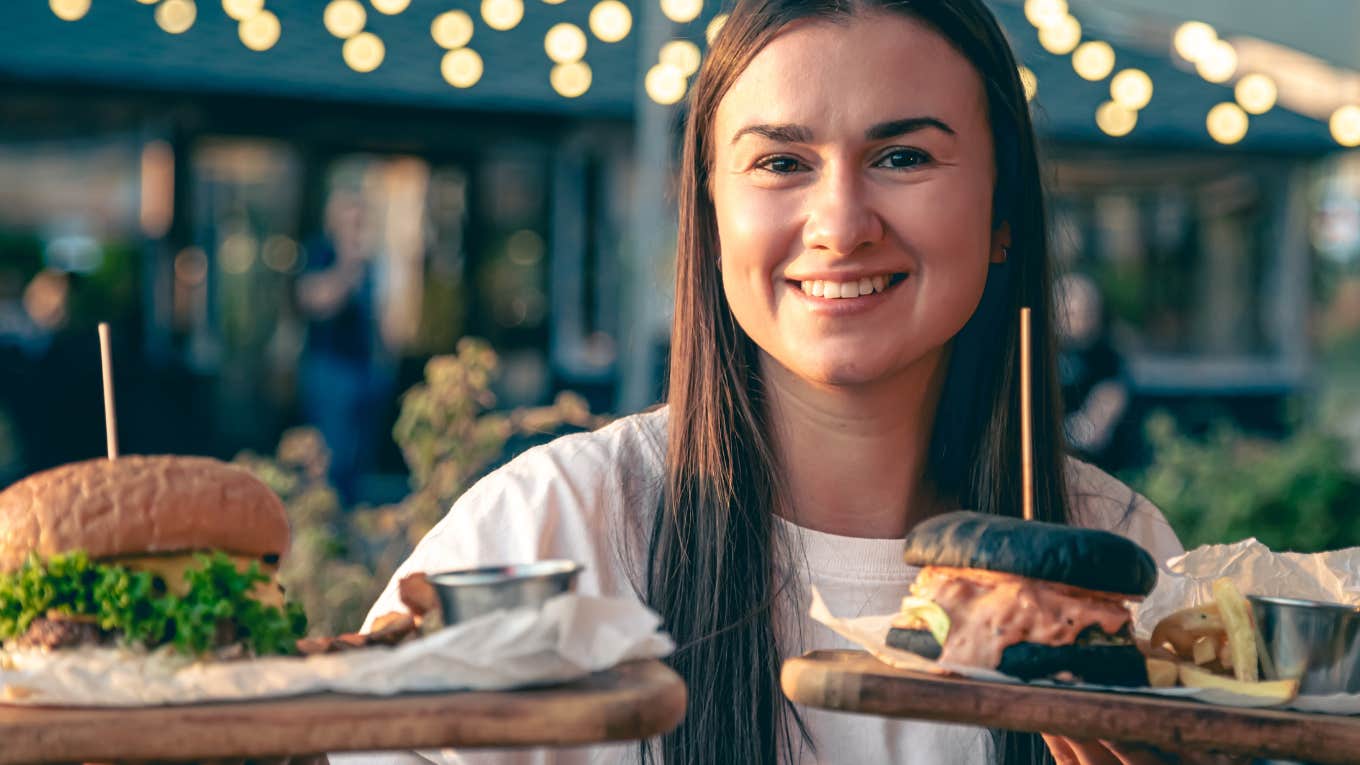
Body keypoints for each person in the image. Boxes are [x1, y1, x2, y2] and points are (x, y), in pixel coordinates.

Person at [337, 1, 1194, 763]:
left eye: (902, 156)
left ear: (1003, 216)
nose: (841, 225)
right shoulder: (550, 531)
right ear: (710, 219)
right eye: (782, 164)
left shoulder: (1123, 571)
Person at [296, 190, 394, 505]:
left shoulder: (370, 264)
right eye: (350, 222)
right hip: (329, 370)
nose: (356, 230)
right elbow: (315, 301)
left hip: (364, 370)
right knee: (330, 455)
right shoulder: (319, 253)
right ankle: (325, 517)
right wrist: (345, 269)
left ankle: (349, 517)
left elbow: (378, 318)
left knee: (358, 458)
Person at [1057, 272, 1134, 472]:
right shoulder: (1040, 355)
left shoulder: (1107, 359)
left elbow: (1106, 406)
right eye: (1070, 313)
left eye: (1087, 312)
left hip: (1096, 466)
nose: (1079, 320)